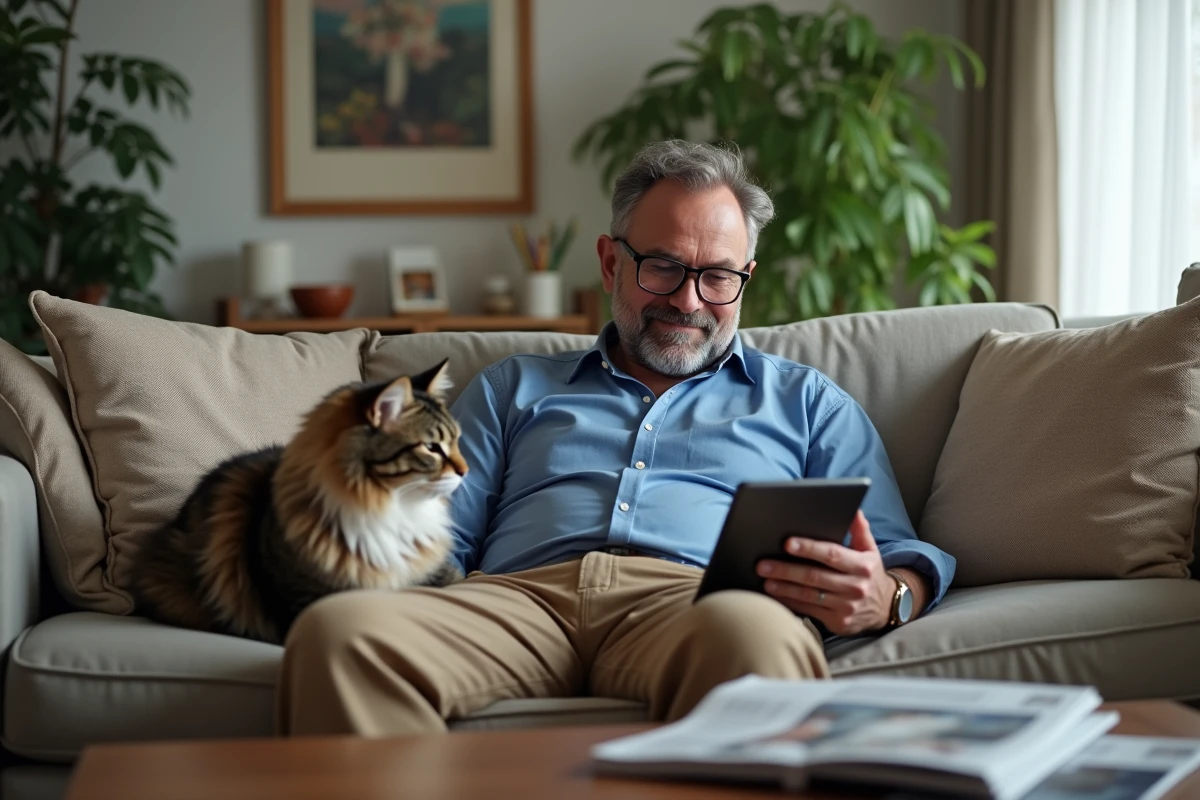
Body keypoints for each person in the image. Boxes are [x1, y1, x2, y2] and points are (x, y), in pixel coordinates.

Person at [276, 140, 957, 736]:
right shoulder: (512, 387)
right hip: (515, 600)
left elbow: (899, 550)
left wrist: (888, 596)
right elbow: (438, 537)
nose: (689, 301)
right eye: (662, 266)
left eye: (718, 276)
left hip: (697, 605)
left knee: (753, 634)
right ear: (610, 264)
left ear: (745, 278)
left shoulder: (807, 403)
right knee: (340, 635)